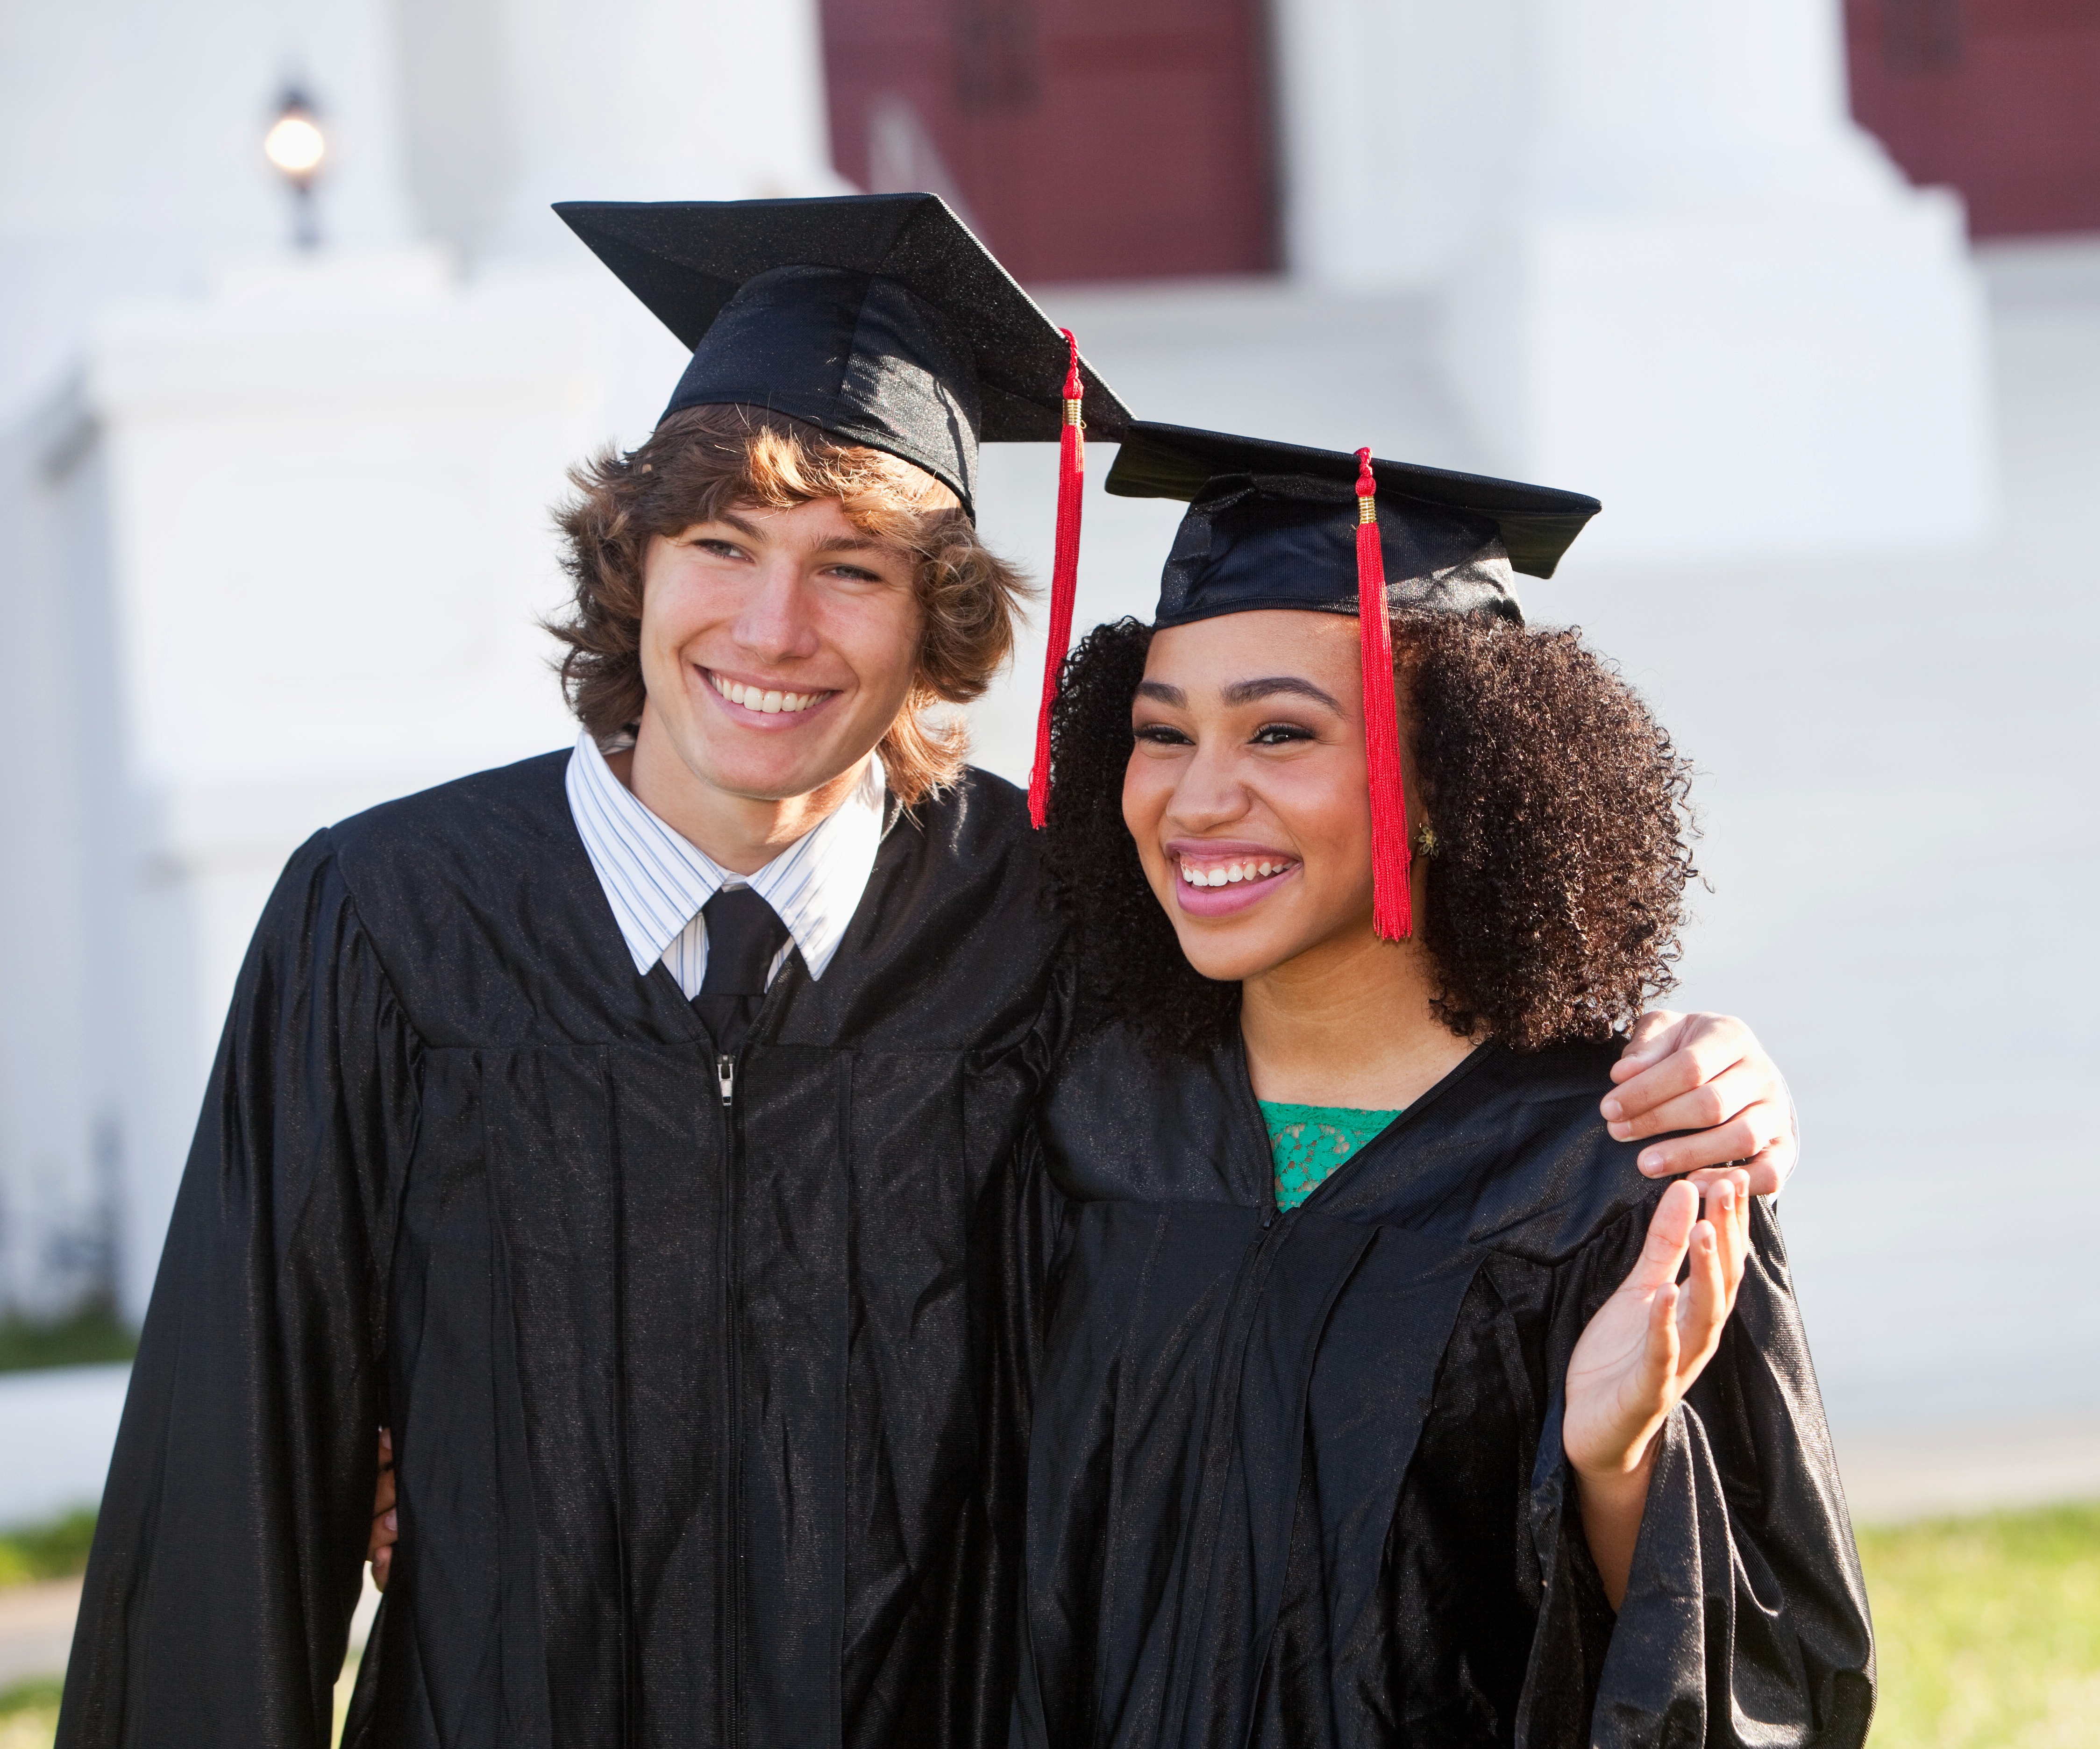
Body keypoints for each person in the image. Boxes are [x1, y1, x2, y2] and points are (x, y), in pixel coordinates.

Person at [58, 194, 1803, 1749]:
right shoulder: (388, 918)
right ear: (632, 568)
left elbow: (1351, 1105)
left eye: (855, 569)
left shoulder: (1048, 908)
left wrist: (1685, 1068)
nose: (771, 628)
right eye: (720, 547)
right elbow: (241, 1445)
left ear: (937, 622)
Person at [1014, 425, 1872, 1747]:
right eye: (1161, 734)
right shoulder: (1087, 1124)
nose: (1199, 796)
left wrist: (1612, 1459)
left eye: (1281, 733)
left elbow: (1760, 1683)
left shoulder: (1613, 1171)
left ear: (1448, 780)